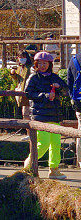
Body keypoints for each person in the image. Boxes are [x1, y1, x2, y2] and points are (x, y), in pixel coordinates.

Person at [25, 51, 68, 179]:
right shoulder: (33, 77)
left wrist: (59, 87)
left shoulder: (54, 77)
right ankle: (28, 166)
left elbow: (66, 90)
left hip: (54, 115)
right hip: (40, 116)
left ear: (50, 64)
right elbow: (28, 93)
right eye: (41, 63)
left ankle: (54, 169)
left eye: (46, 63)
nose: (43, 65)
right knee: (42, 144)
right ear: (36, 64)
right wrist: (44, 95)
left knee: (55, 144)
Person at [67, 49, 81, 168]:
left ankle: (80, 161)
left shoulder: (74, 59)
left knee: (80, 132)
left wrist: (73, 100)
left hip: (79, 103)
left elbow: (69, 83)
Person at [10, 50, 33, 118]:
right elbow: (18, 79)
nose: (21, 59)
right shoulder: (20, 67)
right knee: (23, 111)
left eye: (23, 57)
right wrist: (13, 74)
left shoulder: (30, 67)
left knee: (26, 111)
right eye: (20, 57)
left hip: (28, 91)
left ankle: (28, 126)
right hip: (20, 90)